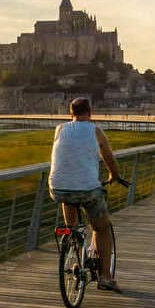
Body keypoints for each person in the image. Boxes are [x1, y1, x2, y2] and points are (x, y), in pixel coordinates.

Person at [49, 97, 124, 292]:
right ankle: (106, 277)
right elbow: (109, 157)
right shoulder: (95, 130)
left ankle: (72, 235)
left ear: (70, 113)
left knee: (69, 196)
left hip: (58, 188)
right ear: (90, 112)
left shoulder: (60, 129)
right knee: (102, 228)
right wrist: (114, 176)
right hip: (88, 189)